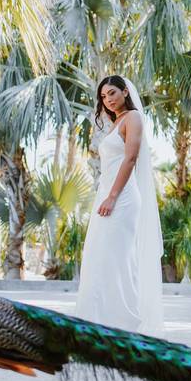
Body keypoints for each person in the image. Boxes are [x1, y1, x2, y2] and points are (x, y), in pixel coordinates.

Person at [74, 75, 164, 335]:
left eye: (112, 93)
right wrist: (106, 195)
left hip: (122, 198)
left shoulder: (133, 118)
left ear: (126, 92)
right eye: (103, 96)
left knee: (118, 259)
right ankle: (99, 322)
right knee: (100, 257)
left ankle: (126, 323)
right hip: (107, 195)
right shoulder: (115, 123)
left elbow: (130, 158)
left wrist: (113, 196)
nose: (108, 100)